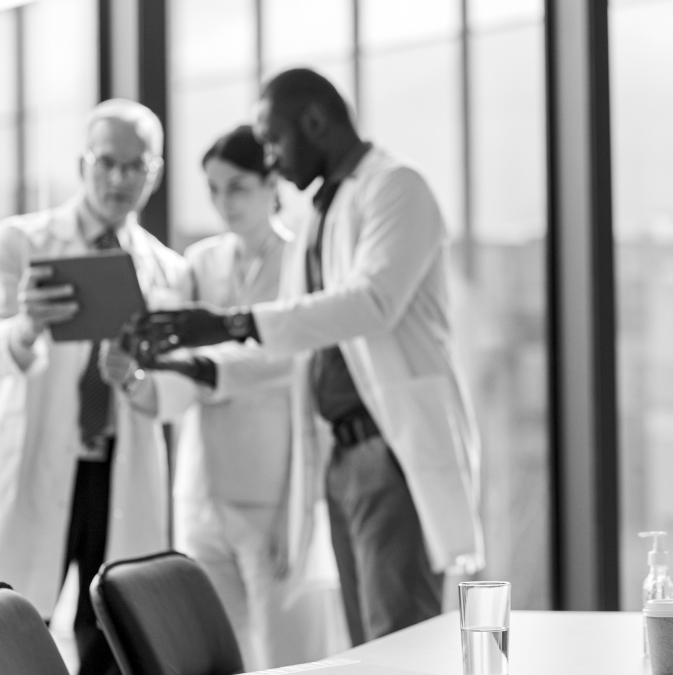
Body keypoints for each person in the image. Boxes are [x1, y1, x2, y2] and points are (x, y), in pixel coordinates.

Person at [128, 68, 483, 645]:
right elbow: (297, 342)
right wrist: (193, 359)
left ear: (315, 122)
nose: (272, 157)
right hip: (339, 456)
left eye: (273, 139)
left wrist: (230, 324)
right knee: (367, 643)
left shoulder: (397, 188)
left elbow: (372, 304)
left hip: (387, 448)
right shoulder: (322, 213)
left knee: (402, 638)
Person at [0, 99, 191, 675]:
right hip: (37, 462)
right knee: (12, 628)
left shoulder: (169, 271)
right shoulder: (21, 243)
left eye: (136, 167)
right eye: (107, 162)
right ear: (84, 164)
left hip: (116, 469)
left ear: (153, 173)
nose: (119, 179)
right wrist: (27, 326)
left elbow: (181, 390)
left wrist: (133, 377)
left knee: (112, 635)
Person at [146, 125, 344, 668]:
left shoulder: (300, 260)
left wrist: (205, 368)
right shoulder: (202, 263)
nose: (222, 202)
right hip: (201, 491)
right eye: (212, 189)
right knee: (211, 655)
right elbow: (171, 368)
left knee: (287, 658)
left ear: (271, 183)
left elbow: (286, 358)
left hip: (272, 492)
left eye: (236, 187)